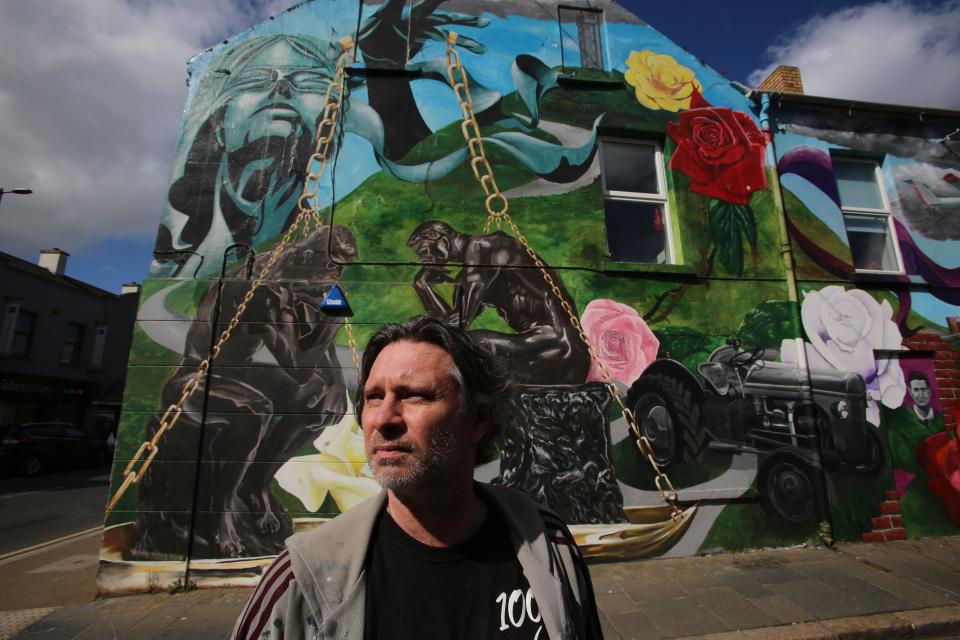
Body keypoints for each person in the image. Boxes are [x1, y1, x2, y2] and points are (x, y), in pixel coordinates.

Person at [231, 315, 603, 639]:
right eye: (374, 397)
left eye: (415, 396)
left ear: (478, 419)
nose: (383, 418)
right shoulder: (302, 580)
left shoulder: (549, 548)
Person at [407, 220, 590, 385]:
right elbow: (450, 327)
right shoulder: (469, 273)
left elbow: (459, 325)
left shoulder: (485, 247)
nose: (424, 260)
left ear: (441, 239)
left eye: (424, 252)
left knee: (474, 343)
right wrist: (423, 287)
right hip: (540, 350)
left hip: (562, 349)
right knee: (461, 351)